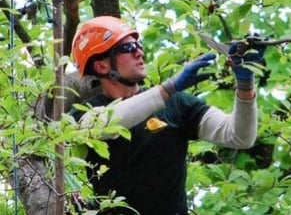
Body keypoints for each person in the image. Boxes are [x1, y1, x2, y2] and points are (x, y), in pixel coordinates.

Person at [70, 16, 266, 215]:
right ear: (102, 66)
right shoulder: (83, 113)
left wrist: (245, 84)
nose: (139, 52)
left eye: (138, 44)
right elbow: (106, 124)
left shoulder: (176, 104)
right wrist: (168, 88)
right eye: (128, 48)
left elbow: (240, 136)